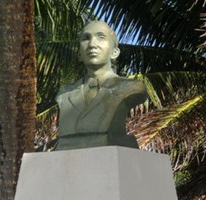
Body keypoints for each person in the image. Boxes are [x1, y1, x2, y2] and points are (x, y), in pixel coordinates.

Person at [54, 20, 147, 151]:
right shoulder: (65, 93)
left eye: (101, 37)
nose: (92, 44)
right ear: (79, 54)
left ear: (114, 52)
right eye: (86, 38)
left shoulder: (131, 87)